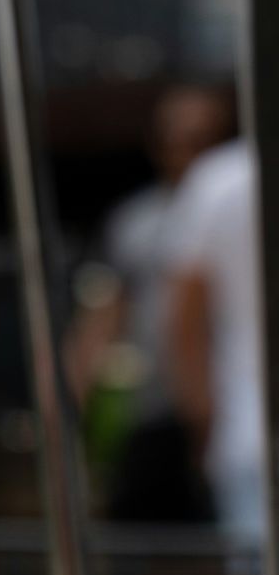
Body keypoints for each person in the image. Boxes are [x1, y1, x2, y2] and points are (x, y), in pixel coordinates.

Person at [70, 85, 234, 521]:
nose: (184, 154)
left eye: (200, 141)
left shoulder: (241, 208)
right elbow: (105, 312)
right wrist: (74, 396)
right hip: (153, 405)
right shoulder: (135, 220)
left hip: (229, 401)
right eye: (173, 140)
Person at [163, 139, 266, 543]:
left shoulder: (219, 179)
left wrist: (201, 419)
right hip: (247, 430)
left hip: (247, 431)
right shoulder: (219, 179)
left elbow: (183, 320)